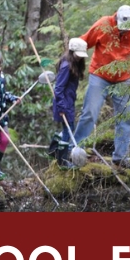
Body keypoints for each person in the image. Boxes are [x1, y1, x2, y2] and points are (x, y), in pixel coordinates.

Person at [72, 4, 130, 170]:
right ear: (116, 19)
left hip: (123, 79)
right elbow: (84, 42)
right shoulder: (103, 25)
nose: (124, 31)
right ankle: (78, 151)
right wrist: (70, 60)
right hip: (99, 75)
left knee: (125, 118)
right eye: (121, 28)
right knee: (89, 112)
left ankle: (121, 158)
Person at [51, 38, 89, 170]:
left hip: (69, 101)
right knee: (68, 128)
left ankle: (54, 151)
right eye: (78, 55)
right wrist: (62, 107)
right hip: (63, 103)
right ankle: (62, 161)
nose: (79, 58)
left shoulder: (74, 64)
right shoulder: (66, 66)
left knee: (68, 128)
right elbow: (58, 88)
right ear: (72, 52)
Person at [0, 56, 21, 181]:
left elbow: (4, 94)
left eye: (0, 66)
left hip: (2, 115)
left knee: (5, 140)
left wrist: (13, 98)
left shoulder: (2, 78)